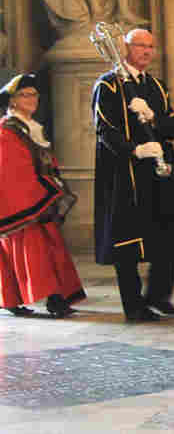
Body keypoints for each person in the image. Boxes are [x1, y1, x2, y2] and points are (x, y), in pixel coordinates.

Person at [93, 28, 174, 322]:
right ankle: (133, 305)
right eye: (140, 46)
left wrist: (154, 118)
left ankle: (158, 296)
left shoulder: (156, 86)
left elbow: (173, 126)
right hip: (125, 173)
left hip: (158, 171)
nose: (147, 52)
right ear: (125, 48)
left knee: (168, 233)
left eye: (151, 46)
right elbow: (105, 130)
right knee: (128, 239)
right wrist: (135, 151)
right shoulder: (109, 85)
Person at [0, 74, 84, 318]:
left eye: (34, 94)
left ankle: (55, 299)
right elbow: (12, 170)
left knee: (50, 249)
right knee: (33, 251)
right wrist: (45, 189)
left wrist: (51, 183)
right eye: (25, 95)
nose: (32, 99)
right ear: (13, 101)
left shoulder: (31, 128)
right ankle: (43, 300)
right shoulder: (8, 131)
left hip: (40, 198)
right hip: (24, 202)